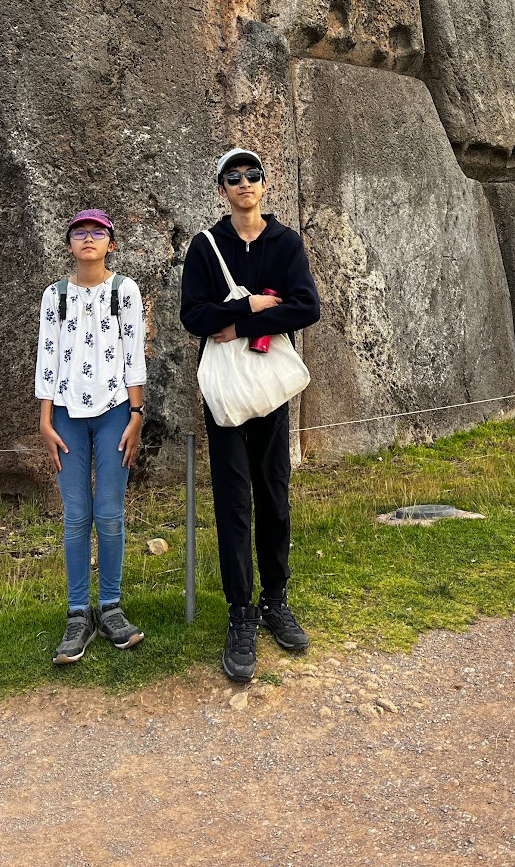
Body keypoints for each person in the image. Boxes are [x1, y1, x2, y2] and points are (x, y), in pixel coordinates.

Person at [180, 147, 320, 682]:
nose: (244, 184)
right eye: (233, 178)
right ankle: (240, 612)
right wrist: (252, 305)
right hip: (224, 391)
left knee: (274, 492)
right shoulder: (205, 246)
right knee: (233, 500)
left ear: (265, 185)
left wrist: (236, 322)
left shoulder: (285, 243)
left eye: (252, 175)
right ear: (221, 190)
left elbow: (306, 306)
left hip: (267, 386)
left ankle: (275, 600)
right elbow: (194, 316)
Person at [36, 208, 146, 662]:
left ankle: (111, 607)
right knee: (76, 515)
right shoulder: (54, 296)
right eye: (79, 232)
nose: (88, 239)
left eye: (97, 232)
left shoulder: (125, 291)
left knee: (110, 513)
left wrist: (137, 413)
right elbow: (46, 357)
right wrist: (44, 420)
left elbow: (134, 353)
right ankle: (78, 613)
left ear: (110, 243)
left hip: (115, 411)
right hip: (64, 414)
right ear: (69, 244)